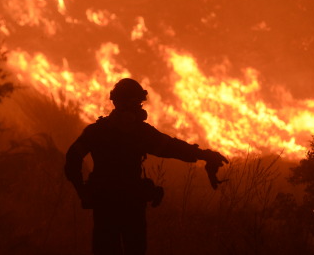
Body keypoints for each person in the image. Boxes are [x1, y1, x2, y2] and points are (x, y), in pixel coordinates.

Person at [64, 78, 229, 255]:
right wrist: (204, 155)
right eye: (136, 102)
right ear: (125, 104)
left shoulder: (99, 132)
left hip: (108, 205)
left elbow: (72, 159)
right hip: (129, 205)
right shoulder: (138, 133)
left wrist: (83, 191)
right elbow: (173, 148)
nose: (139, 107)